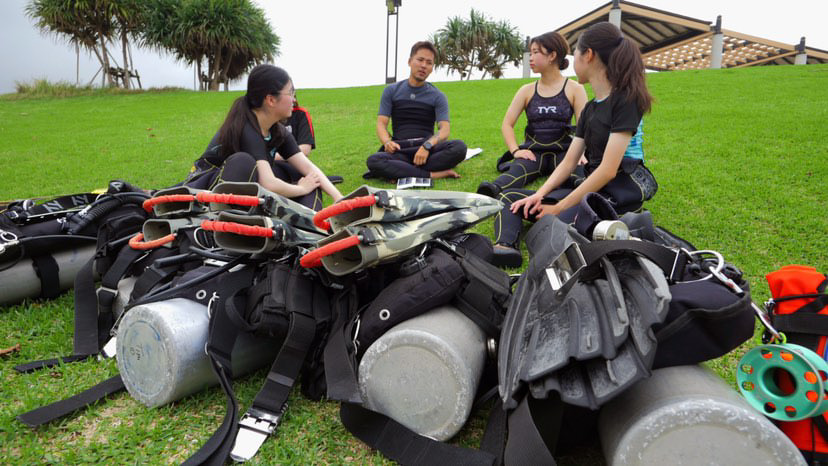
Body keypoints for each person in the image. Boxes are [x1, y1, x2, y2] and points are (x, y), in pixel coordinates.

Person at [491, 22, 658, 268]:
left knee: (554, 227)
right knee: (511, 199)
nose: (573, 61)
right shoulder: (591, 108)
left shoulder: (625, 101)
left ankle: (624, 225)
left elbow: (608, 170)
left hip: (618, 188)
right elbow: (569, 161)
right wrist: (539, 195)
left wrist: (558, 207)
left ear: (588, 55)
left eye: (576, 54)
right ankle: (505, 247)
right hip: (590, 187)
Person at [185, 65, 342, 210]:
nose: (294, 99)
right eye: (291, 93)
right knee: (244, 161)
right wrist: (301, 188)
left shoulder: (277, 130)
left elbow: (308, 168)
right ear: (271, 100)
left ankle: (311, 224)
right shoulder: (246, 127)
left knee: (302, 174)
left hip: (249, 188)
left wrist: (338, 198)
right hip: (207, 188)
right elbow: (268, 183)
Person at [477, 32, 587, 198]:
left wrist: (581, 153)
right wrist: (515, 151)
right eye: (531, 52)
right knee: (514, 174)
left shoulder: (575, 88)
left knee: (577, 177)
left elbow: (584, 126)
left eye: (536, 52)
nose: (530, 57)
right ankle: (491, 191)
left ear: (552, 55)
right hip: (533, 153)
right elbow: (507, 124)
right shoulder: (526, 90)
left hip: (565, 151)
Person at [365, 41, 467, 181]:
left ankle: (400, 171)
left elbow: (445, 130)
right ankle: (432, 174)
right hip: (400, 148)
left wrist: (427, 146)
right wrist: (387, 142)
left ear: (432, 67)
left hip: (426, 149)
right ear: (410, 61)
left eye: (429, 62)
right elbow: (381, 124)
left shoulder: (438, 96)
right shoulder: (391, 91)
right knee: (373, 160)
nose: (423, 65)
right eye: (420, 60)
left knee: (459, 148)